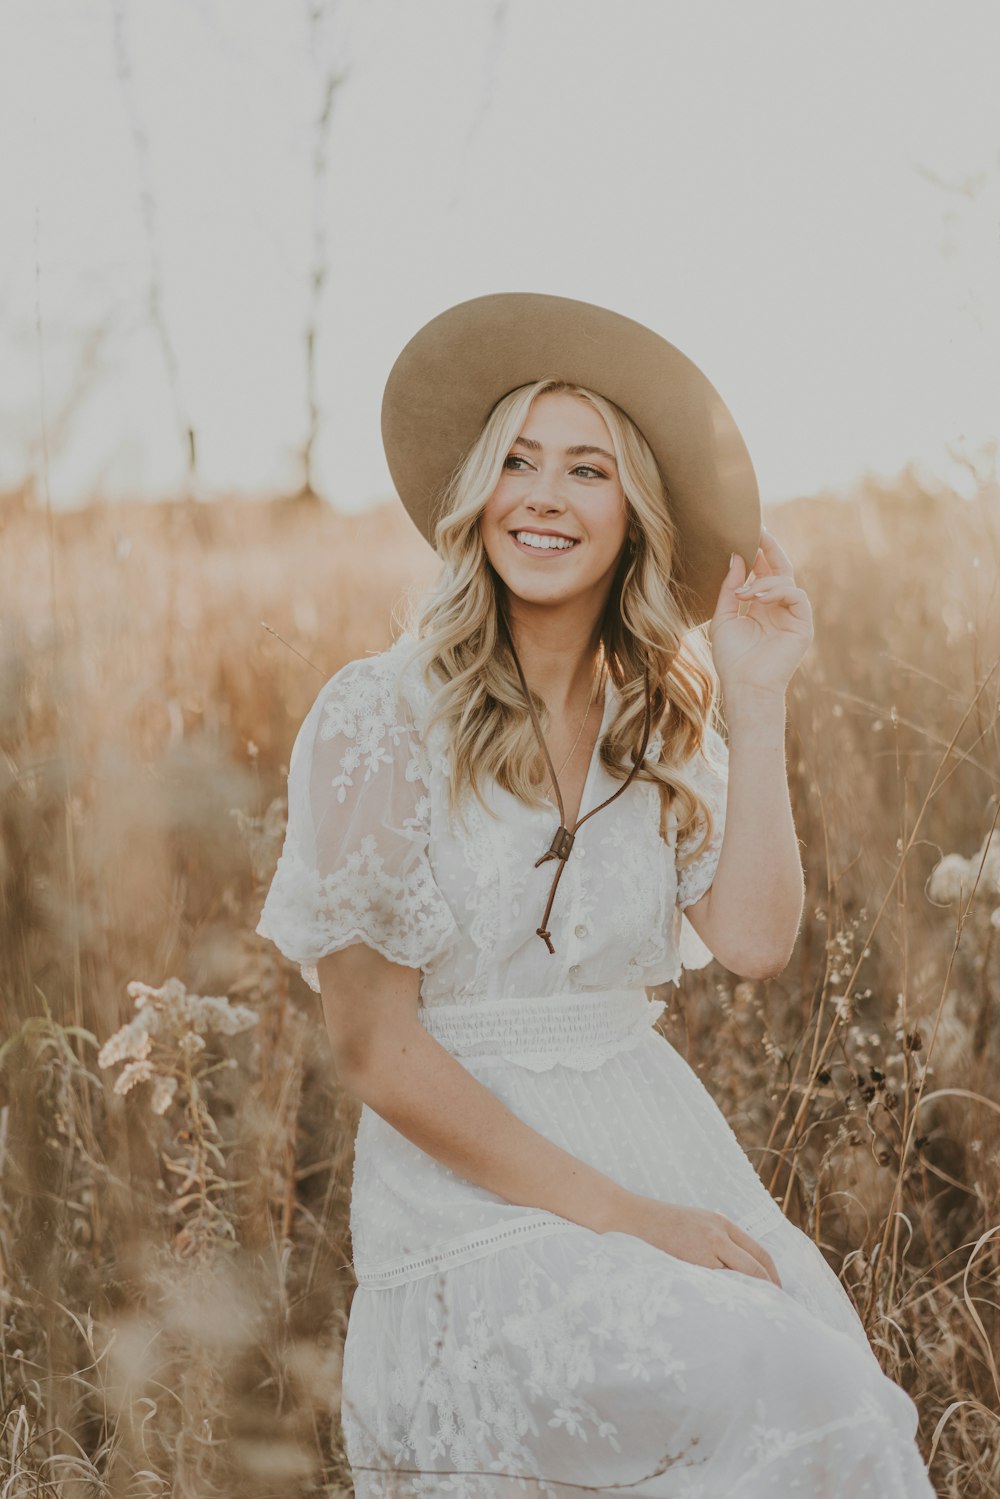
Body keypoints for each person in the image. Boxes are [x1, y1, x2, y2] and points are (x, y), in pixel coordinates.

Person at [256, 293, 936, 1497]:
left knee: (831, 1396)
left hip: (662, 1158)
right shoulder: (377, 714)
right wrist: (623, 1219)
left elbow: (755, 941)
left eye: (587, 469)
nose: (543, 495)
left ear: (632, 518)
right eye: (516, 460)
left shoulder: (656, 722)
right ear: (476, 495)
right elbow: (372, 1046)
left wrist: (756, 698)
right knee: (786, 1387)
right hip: (469, 1215)